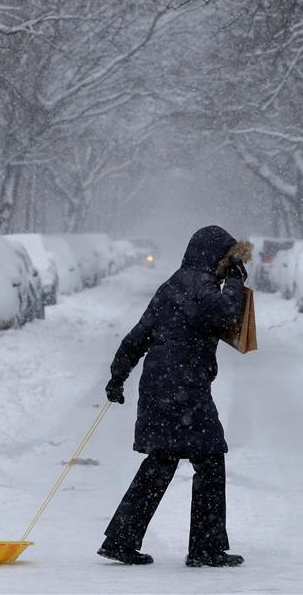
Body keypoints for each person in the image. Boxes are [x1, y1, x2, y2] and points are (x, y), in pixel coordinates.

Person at [98, 225, 252, 568]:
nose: (228, 265)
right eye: (227, 259)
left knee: (161, 461)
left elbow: (137, 335)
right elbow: (227, 312)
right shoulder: (200, 286)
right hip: (184, 389)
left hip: (161, 385)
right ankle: (206, 548)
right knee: (210, 459)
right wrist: (237, 282)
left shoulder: (173, 285)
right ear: (214, 256)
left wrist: (117, 376)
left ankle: (121, 539)